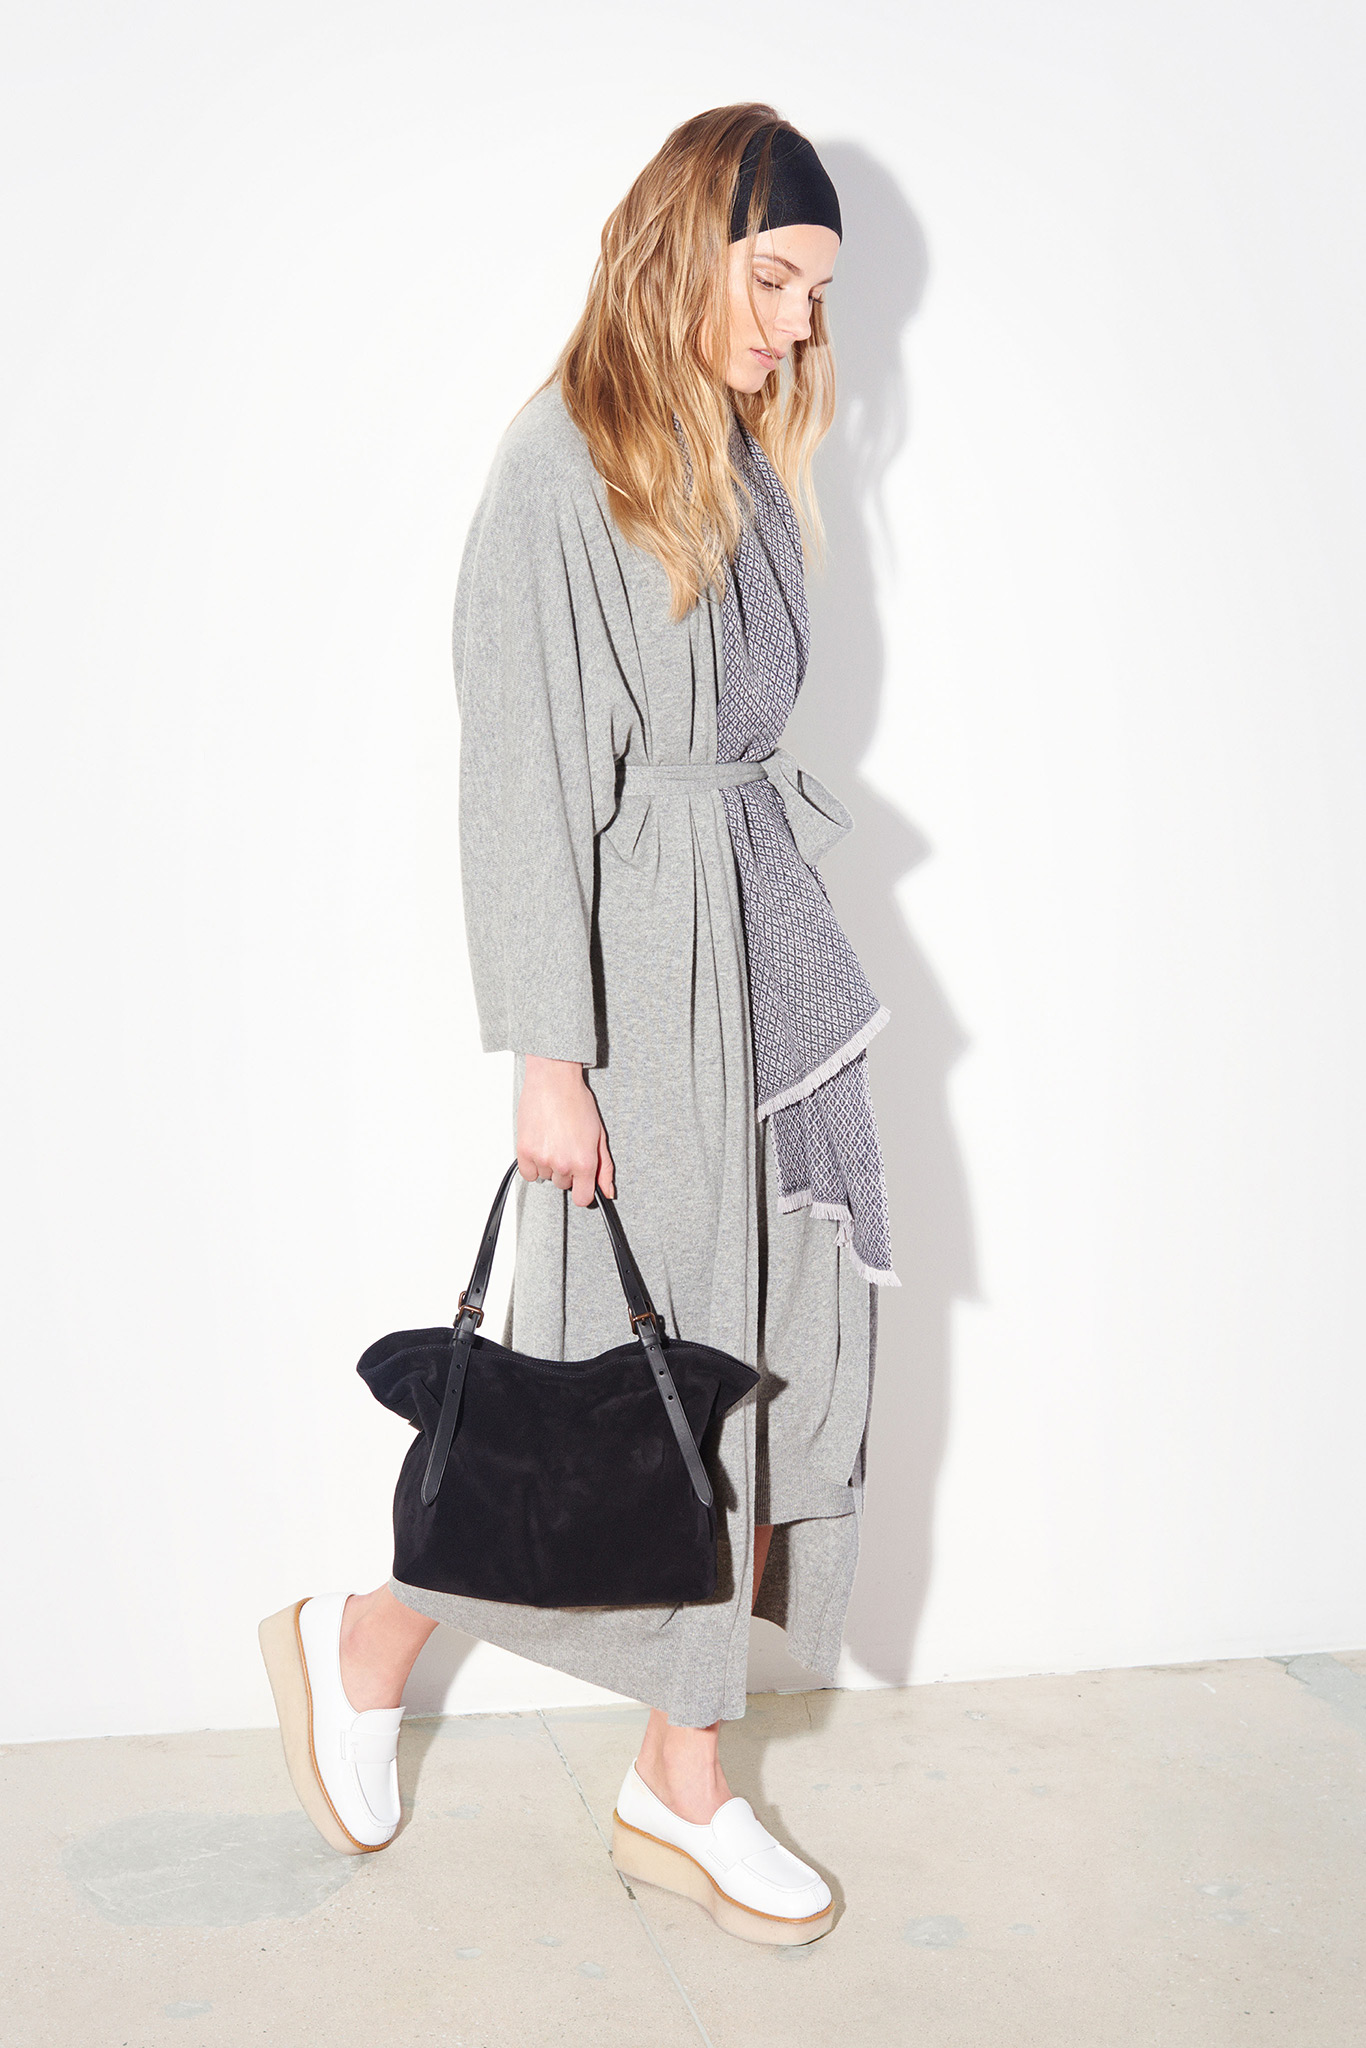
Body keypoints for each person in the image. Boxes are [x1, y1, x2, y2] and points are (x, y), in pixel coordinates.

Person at [259, 102, 897, 1948]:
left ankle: (677, 1780)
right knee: (626, 1396)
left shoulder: (736, 449)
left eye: (816, 291)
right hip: (646, 990)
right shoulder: (560, 465)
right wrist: (549, 1055)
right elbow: (522, 788)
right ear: (682, 246)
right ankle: (367, 1642)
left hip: (770, 970)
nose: (797, 321)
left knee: (763, 1366)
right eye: (770, 276)